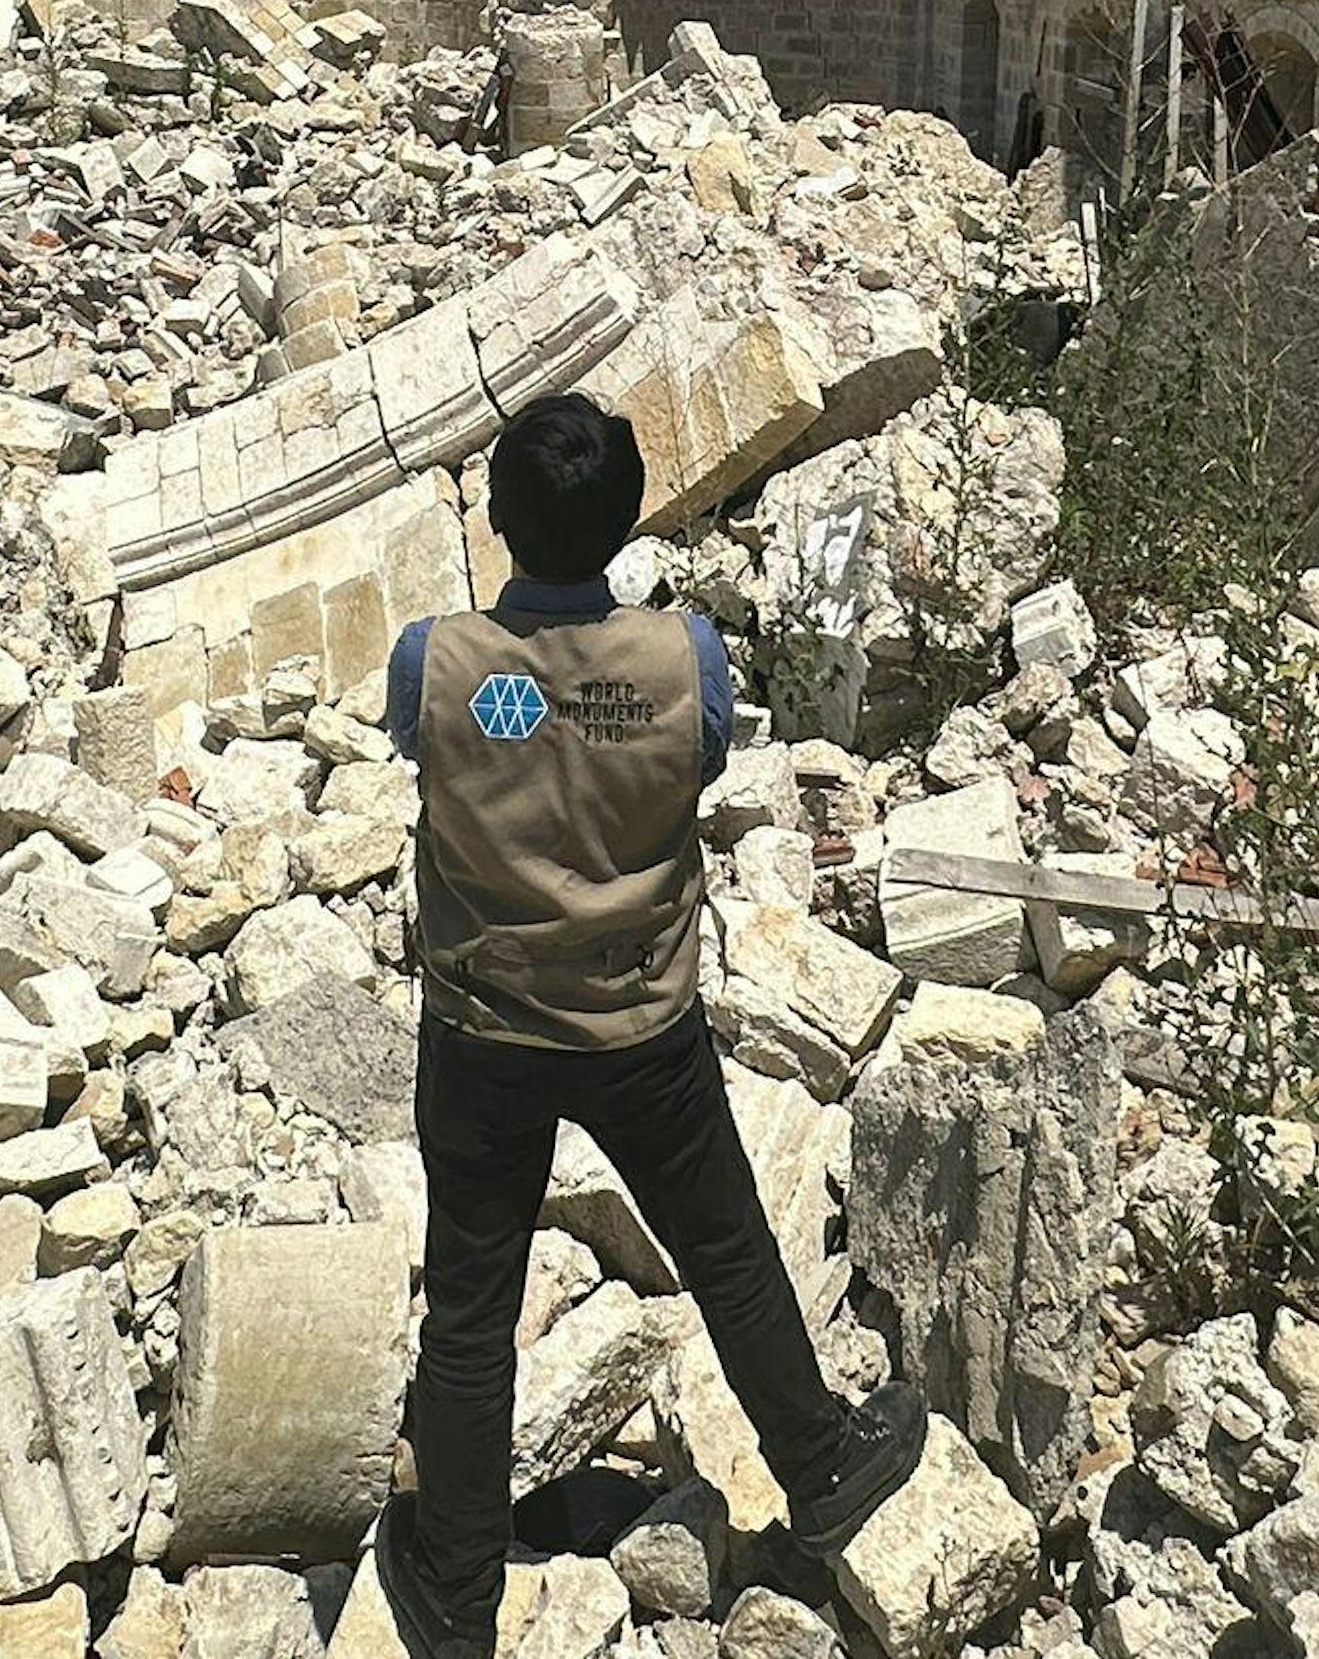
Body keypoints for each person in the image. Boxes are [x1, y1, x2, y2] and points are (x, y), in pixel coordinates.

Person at [372, 390, 924, 1659]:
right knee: (724, 1248)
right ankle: (820, 1463)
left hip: (482, 1028)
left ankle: (455, 1586)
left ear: (498, 521)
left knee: (470, 1304)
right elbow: (707, 760)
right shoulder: (685, 661)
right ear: (623, 527)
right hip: (641, 1024)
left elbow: (422, 746)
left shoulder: (434, 661)